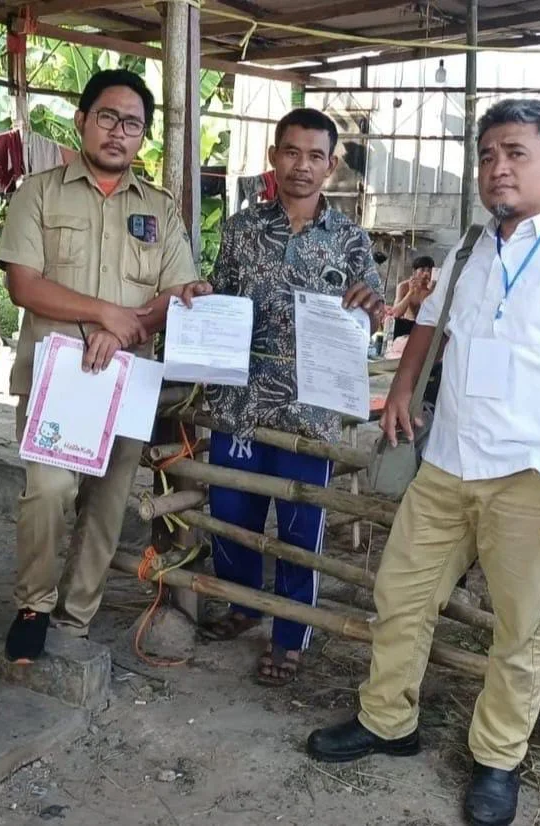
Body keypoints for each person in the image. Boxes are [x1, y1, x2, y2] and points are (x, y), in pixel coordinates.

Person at [306, 99, 540, 826]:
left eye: (516, 153)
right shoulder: (468, 250)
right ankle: (387, 720)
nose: (497, 169)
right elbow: (429, 328)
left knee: (518, 628)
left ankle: (498, 758)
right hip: (448, 462)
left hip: (531, 476)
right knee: (400, 595)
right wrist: (401, 389)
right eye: (487, 155)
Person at [0, 69, 209, 662]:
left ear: (143, 136)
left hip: (127, 378)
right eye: (108, 117)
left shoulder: (159, 209)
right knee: (48, 491)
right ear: (82, 120)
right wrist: (105, 314)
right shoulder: (40, 193)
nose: (118, 132)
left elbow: (175, 292)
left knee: (107, 503)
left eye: (132, 124)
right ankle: (33, 605)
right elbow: (22, 284)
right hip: (57, 377)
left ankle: (75, 618)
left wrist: (125, 329)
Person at [196, 108, 384, 686]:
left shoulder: (351, 239)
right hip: (240, 402)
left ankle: (290, 635)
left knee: (302, 524)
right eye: (292, 152)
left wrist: (371, 308)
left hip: (311, 410)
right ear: (274, 157)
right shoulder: (240, 229)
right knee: (233, 510)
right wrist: (201, 297)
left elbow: (374, 313)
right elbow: (221, 296)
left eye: (315, 156)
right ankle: (244, 604)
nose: (302, 165)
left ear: (331, 165)